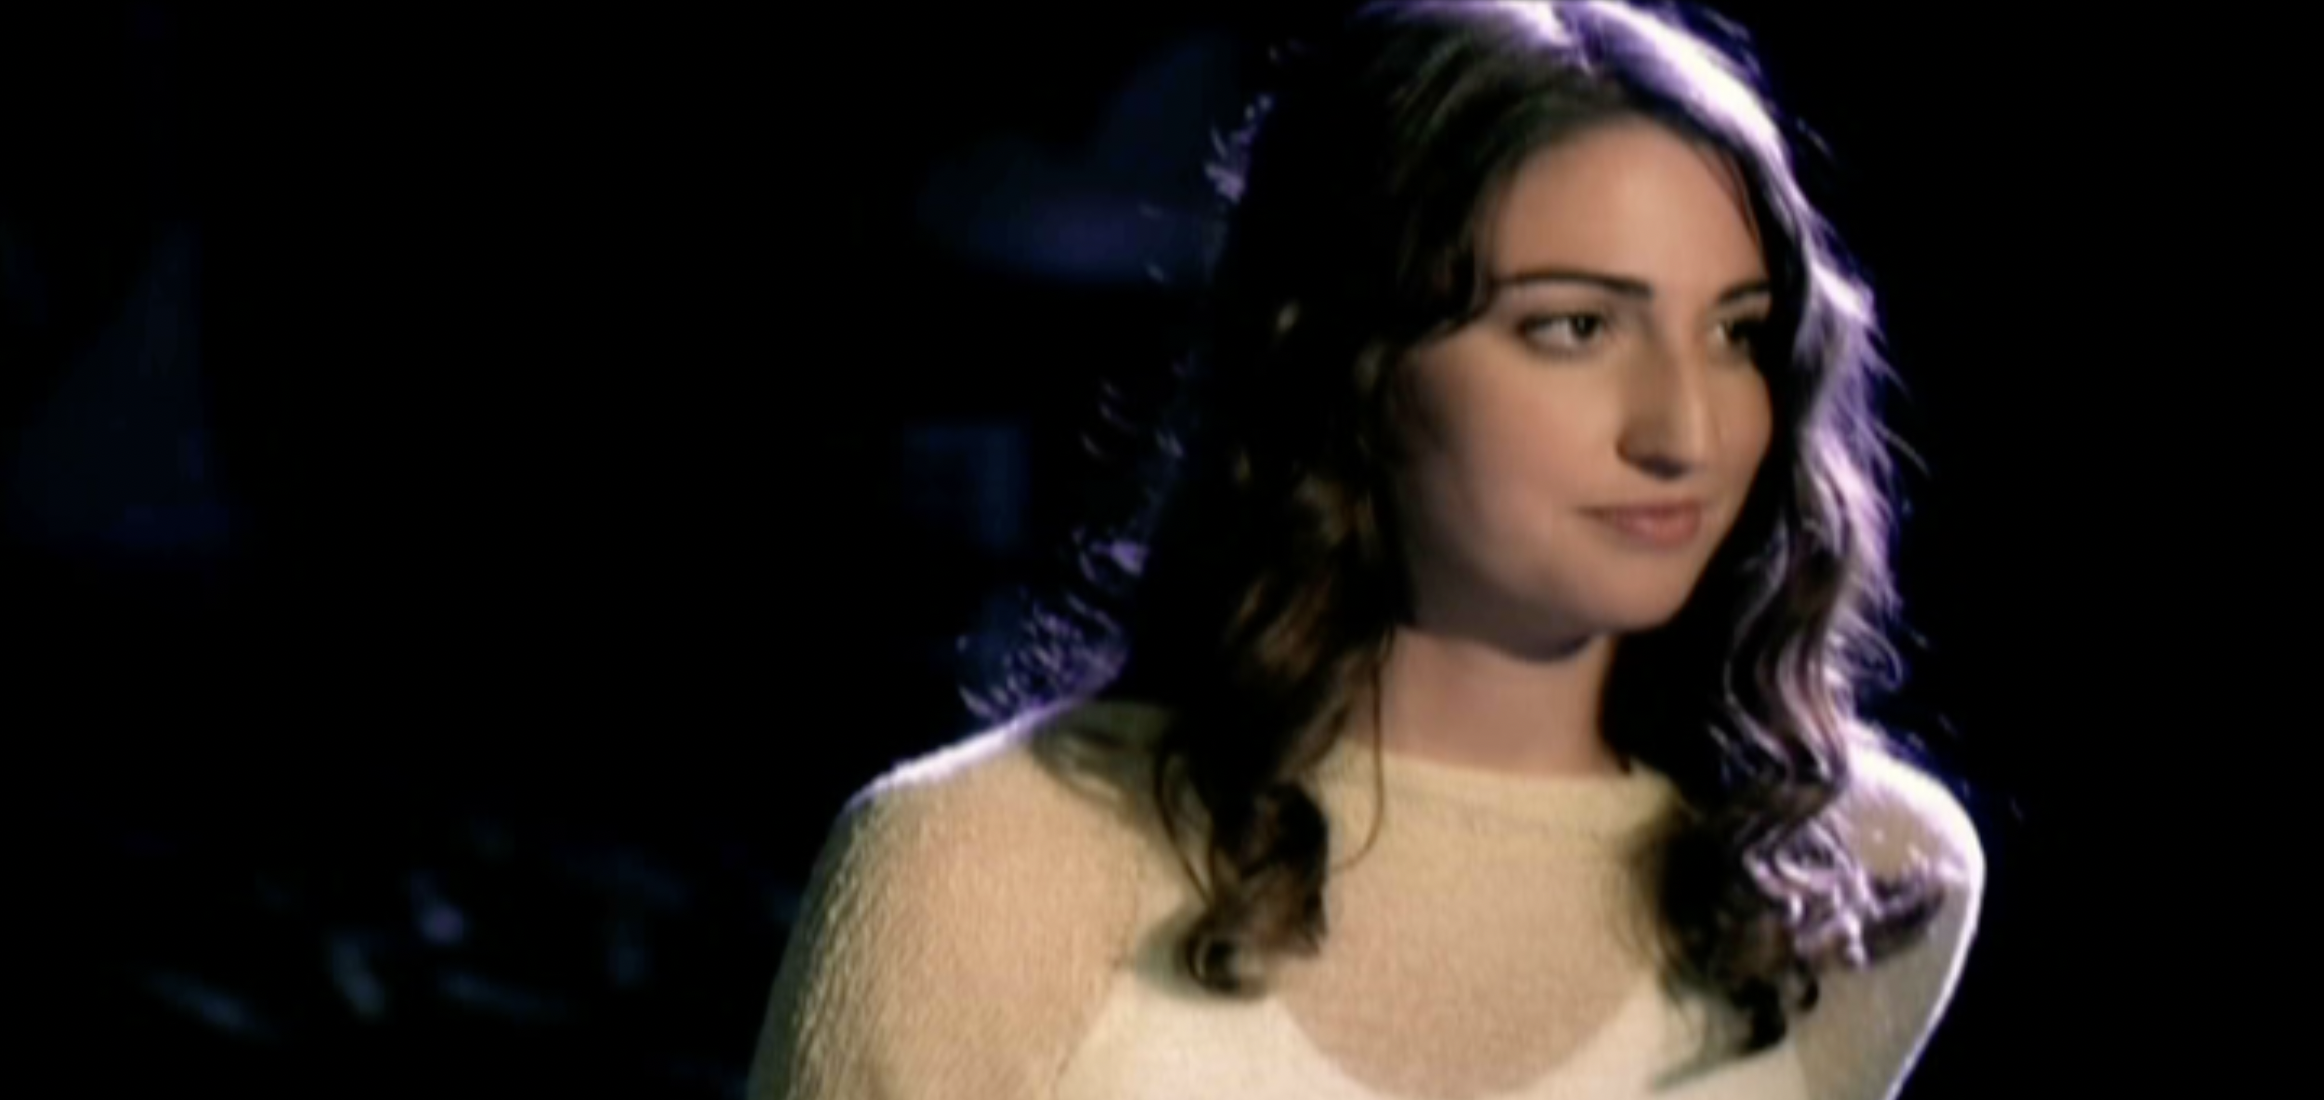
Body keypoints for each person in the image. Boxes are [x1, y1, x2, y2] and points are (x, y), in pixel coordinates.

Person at [749, 2, 1984, 1097]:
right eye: (1573, 326)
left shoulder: (1861, 886)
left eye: (1735, 334)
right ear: (1349, 366)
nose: (1684, 432)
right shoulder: (984, 871)